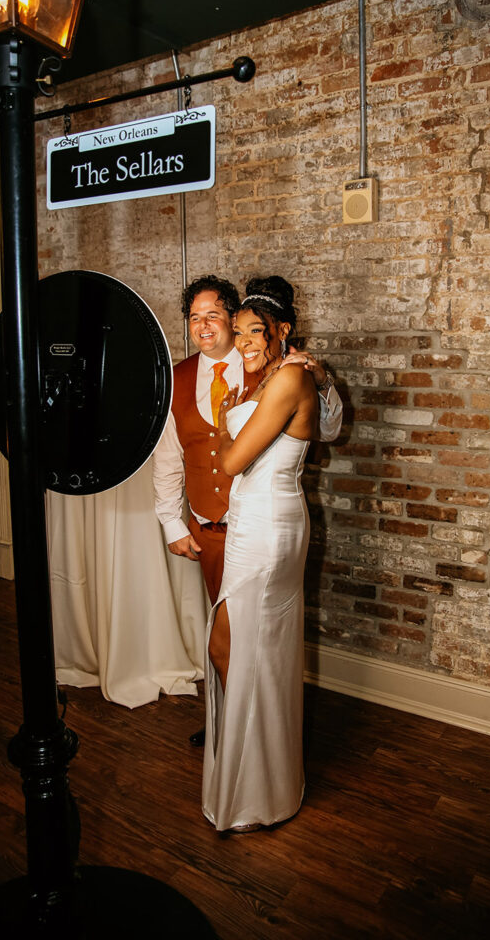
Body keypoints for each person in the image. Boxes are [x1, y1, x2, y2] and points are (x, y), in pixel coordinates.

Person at [153, 274, 342, 745]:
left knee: (249, 638)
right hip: (208, 529)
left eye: (213, 316)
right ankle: (226, 724)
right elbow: (168, 454)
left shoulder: (268, 365)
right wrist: (172, 521)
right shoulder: (176, 377)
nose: (204, 326)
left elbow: (328, 427)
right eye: (194, 318)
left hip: (256, 527)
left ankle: (254, 738)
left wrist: (322, 378)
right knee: (226, 637)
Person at [202, 276, 317, 833]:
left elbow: (228, 460)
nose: (244, 341)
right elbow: (230, 445)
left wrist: (225, 434)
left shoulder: (291, 377)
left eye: (256, 331)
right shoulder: (264, 379)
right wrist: (229, 427)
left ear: (283, 330)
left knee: (236, 642)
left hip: (271, 523)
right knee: (239, 645)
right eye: (240, 331)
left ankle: (259, 785)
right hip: (254, 519)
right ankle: (259, 773)